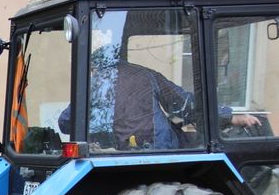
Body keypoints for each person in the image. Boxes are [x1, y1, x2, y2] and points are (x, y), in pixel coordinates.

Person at [58, 44, 261, 150]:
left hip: (123, 149)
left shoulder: (96, 83)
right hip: (157, 149)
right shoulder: (146, 75)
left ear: (97, 65)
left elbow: (66, 122)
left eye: (93, 69)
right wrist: (230, 117)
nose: (93, 72)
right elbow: (185, 105)